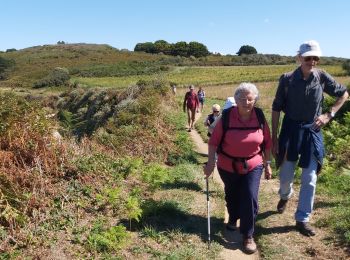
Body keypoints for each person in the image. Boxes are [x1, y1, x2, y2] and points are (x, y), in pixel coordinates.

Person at [271, 40, 349, 237]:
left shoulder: (322, 77)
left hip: (313, 131)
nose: (312, 61)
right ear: (299, 57)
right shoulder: (287, 79)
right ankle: (285, 195)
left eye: (316, 57)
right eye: (308, 57)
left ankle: (302, 219)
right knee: (286, 176)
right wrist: (274, 137)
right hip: (290, 130)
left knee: (310, 178)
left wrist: (328, 114)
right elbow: (276, 108)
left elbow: (344, 94)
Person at [204, 82, 272, 254]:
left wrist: (268, 164)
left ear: (255, 99)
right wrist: (211, 163)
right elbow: (213, 142)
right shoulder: (226, 117)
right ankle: (233, 217)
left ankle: (248, 235)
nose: (246, 102)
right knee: (232, 194)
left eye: (250, 99)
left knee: (250, 196)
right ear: (235, 100)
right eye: (242, 98)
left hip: (253, 164)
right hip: (227, 165)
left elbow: (268, 142)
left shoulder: (259, 116)